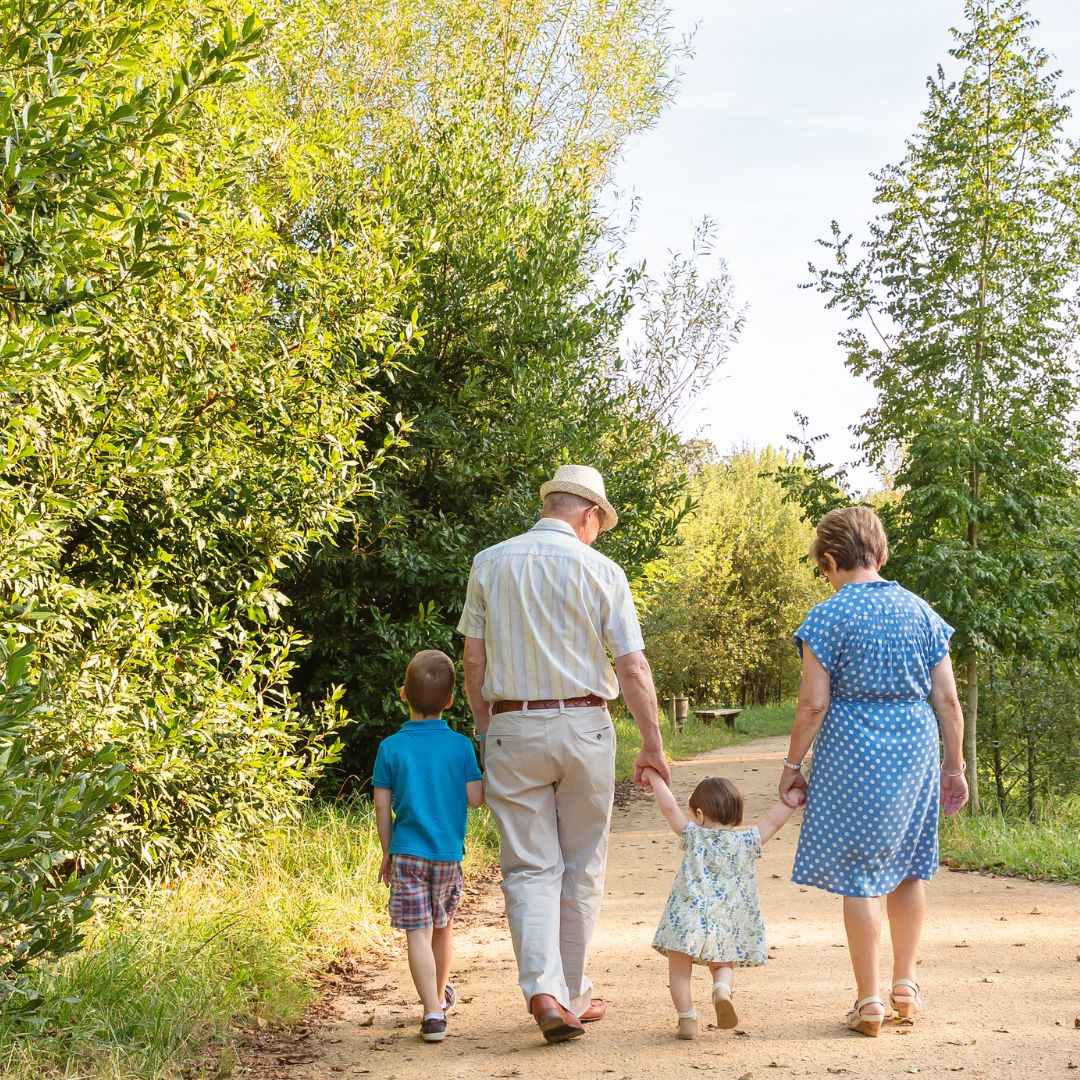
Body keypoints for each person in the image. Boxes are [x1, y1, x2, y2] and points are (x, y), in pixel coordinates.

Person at [457, 464, 669, 1044]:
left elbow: (473, 660)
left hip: (511, 725)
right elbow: (632, 666)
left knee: (528, 865)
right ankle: (572, 992)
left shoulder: (488, 563)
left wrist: (488, 729)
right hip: (584, 725)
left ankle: (545, 991)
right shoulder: (601, 570)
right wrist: (652, 743)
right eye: (600, 522)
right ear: (589, 514)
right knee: (581, 865)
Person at [778, 506, 968, 1037]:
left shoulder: (828, 616)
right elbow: (948, 701)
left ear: (830, 561)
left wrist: (793, 765)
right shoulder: (922, 613)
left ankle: (869, 1001)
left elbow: (813, 705)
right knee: (909, 865)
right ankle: (905, 985)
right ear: (881, 554)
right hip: (914, 747)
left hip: (852, 749)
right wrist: (953, 765)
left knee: (861, 874)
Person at [373, 650, 485, 1043]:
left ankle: (433, 1012)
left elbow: (383, 807)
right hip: (447, 856)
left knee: (416, 934)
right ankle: (437, 999)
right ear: (451, 700)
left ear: (403, 694)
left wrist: (387, 852)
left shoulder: (390, 748)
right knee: (442, 927)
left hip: (406, 853)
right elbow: (476, 799)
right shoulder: (460, 747)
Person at [643, 767, 800, 1041]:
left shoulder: (693, 835)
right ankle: (721, 990)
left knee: (680, 971)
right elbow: (774, 822)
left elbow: (668, 808)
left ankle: (687, 1020)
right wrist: (796, 795)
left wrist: (654, 777)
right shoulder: (747, 841)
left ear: (700, 815)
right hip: (726, 921)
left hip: (687, 916)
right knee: (723, 966)